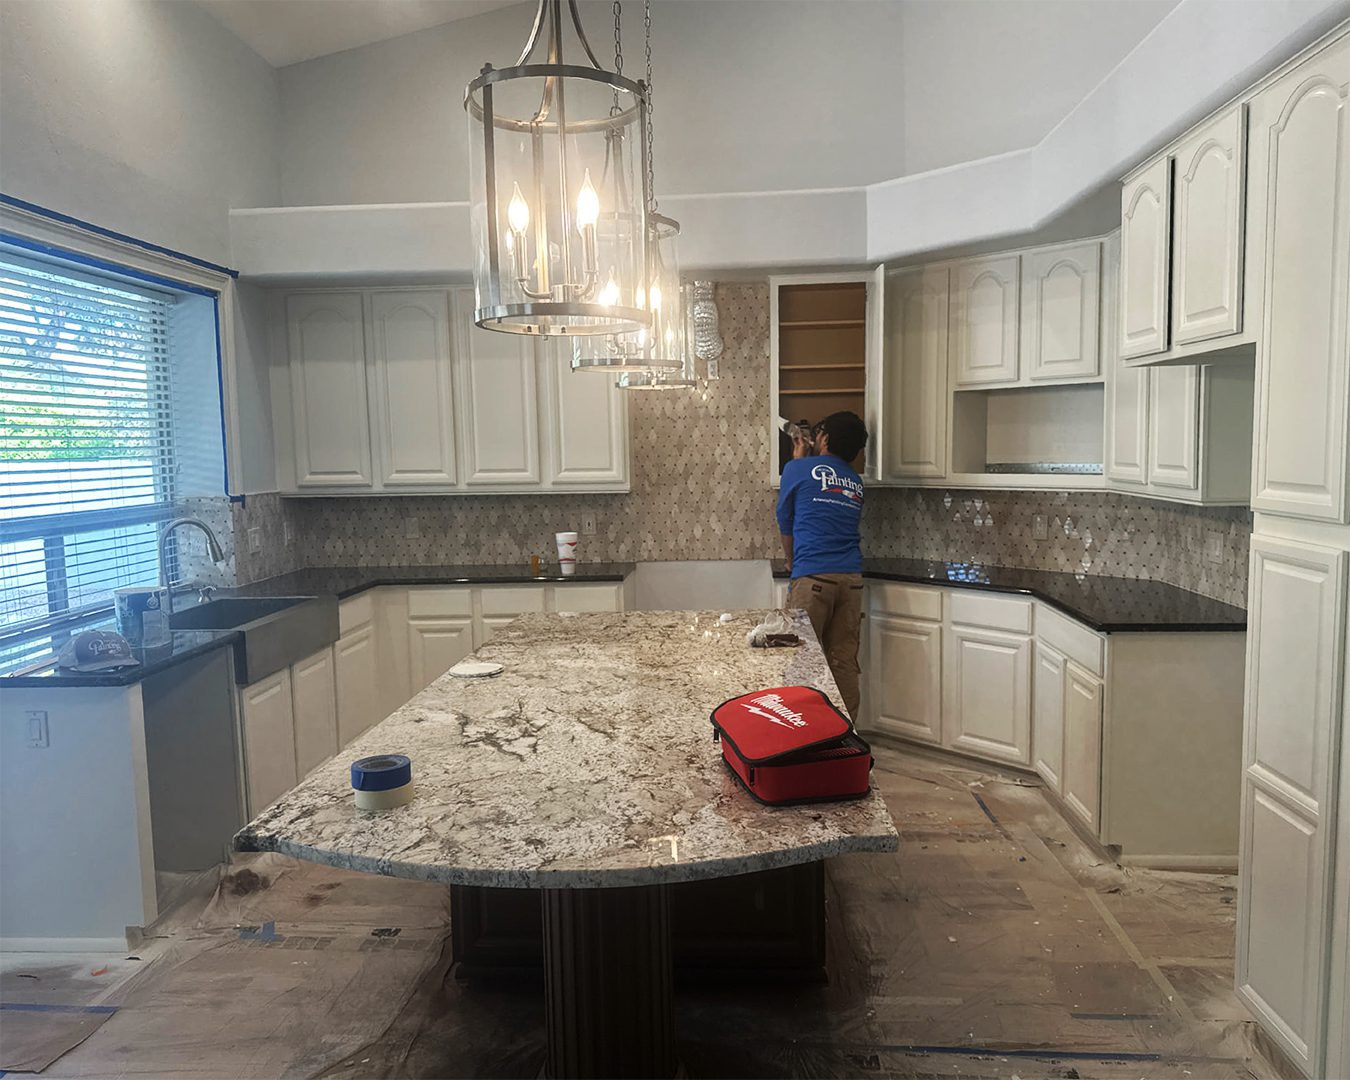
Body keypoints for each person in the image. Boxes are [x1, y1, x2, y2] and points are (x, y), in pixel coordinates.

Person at [775, 411, 868, 720]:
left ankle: (799, 737)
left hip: (813, 578)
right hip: (851, 582)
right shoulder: (855, 480)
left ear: (824, 438)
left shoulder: (797, 469)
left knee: (801, 659)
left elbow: (785, 520)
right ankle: (846, 738)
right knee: (843, 663)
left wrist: (790, 560)